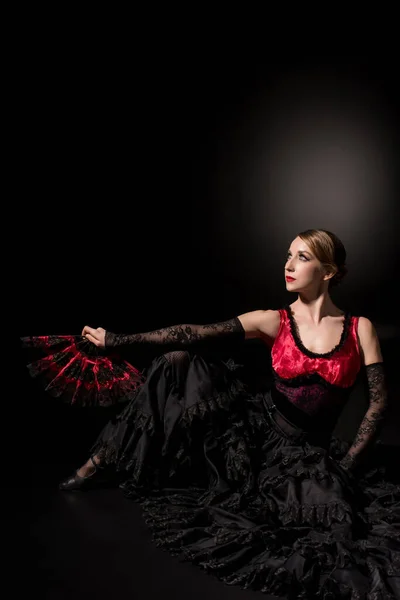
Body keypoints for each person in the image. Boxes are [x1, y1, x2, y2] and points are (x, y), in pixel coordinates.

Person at [50, 229, 400, 596]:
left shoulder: (361, 329)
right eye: (288, 255)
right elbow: (190, 333)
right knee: (178, 361)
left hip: (309, 454)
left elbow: (379, 402)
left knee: (332, 529)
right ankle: (101, 458)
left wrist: (346, 465)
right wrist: (117, 341)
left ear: (328, 271)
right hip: (258, 433)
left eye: (302, 257)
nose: (288, 265)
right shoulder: (273, 320)